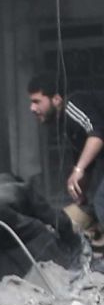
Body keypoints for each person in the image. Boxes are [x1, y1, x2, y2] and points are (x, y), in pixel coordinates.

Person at [27, 73, 104, 218]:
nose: (32, 108)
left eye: (36, 101)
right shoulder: (66, 124)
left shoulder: (72, 105)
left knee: (102, 201)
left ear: (56, 99)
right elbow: (87, 158)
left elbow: (98, 133)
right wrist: (81, 192)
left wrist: (79, 169)